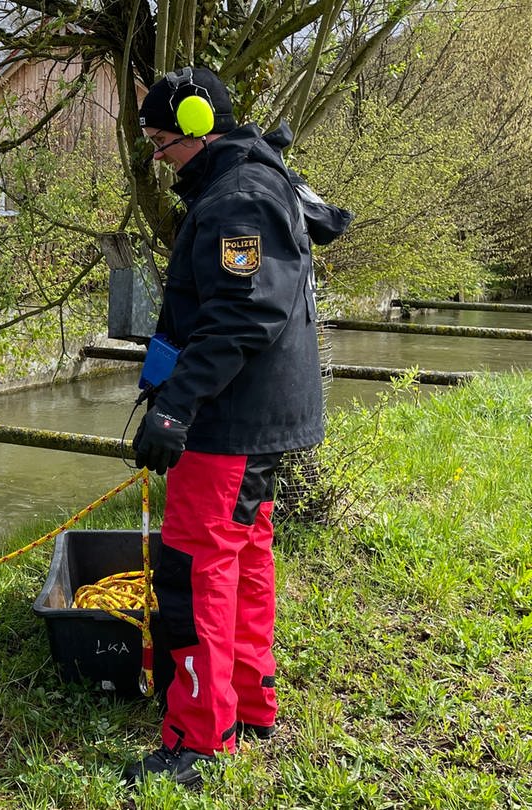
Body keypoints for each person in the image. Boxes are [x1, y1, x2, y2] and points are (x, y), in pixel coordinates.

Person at [124, 67, 351, 789]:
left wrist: (174, 407)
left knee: (194, 570)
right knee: (245, 559)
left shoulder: (237, 199)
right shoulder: (259, 180)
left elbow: (240, 317)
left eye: (164, 145)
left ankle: (198, 740)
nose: (160, 162)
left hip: (226, 422)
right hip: (259, 419)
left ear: (198, 129)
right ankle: (248, 705)